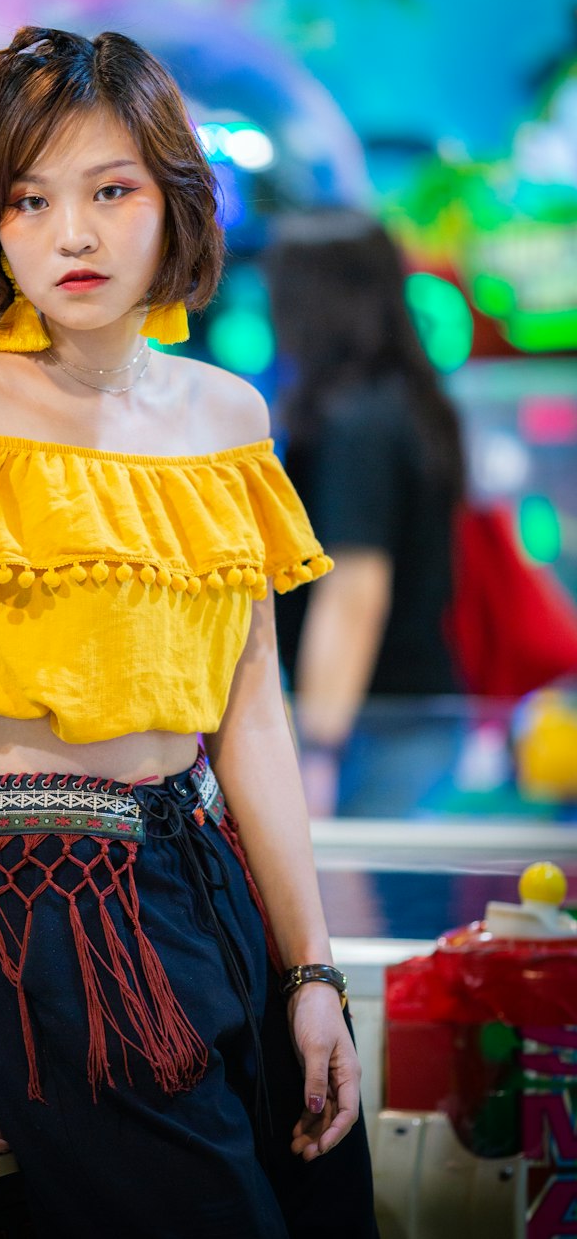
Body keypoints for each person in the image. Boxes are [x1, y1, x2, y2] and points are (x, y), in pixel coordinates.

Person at [0, 29, 386, 1239]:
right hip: (39, 904)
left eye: (109, 190)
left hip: (216, 883)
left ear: (173, 201)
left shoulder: (227, 420)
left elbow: (252, 723)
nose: (69, 234)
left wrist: (313, 974)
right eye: (28, 199)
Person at [264, 210, 466, 819]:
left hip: (370, 728)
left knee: (357, 911)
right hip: (414, 711)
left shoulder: (355, 421)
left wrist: (319, 748)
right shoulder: (413, 400)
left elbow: (354, 589)